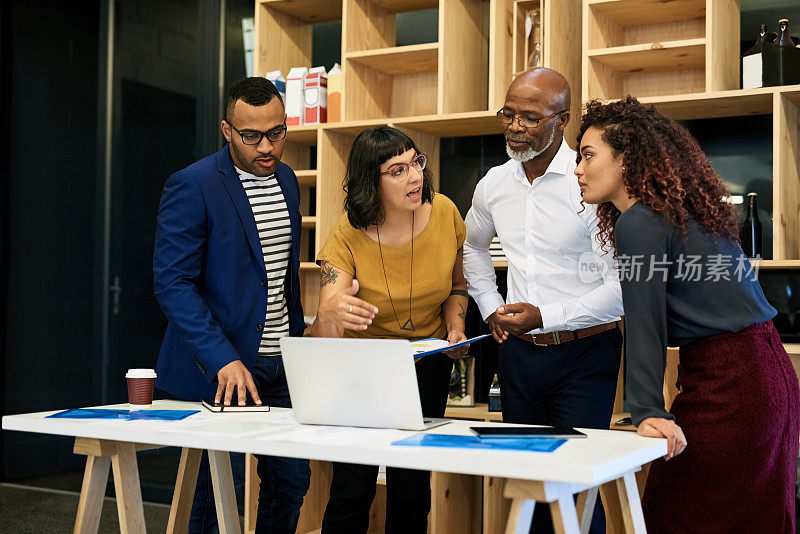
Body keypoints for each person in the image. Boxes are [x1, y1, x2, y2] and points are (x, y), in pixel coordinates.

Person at [575, 95, 800, 533]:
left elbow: (645, 325)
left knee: (675, 513)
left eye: (588, 155)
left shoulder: (639, 221)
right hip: (769, 375)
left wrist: (645, 411)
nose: (578, 169)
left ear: (627, 159)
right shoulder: (681, 211)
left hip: (732, 385)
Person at [462, 67, 623, 533]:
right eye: (508, 114)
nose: (515, 127)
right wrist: (490, 303)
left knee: (576, 493)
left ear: (563, 119)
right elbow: (472, 246)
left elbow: (619, 291)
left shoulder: (590, 184)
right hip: (518, 358)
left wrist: (544, 316)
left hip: (585, 353)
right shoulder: (493, 184)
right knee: (528, 490)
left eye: (530, 118)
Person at [153, 77, 310, 533]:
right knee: (212, 491)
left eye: (277, 133)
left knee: (291, 480)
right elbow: (173, 283)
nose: (267, 147)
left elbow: (279, 274)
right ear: (227, 130)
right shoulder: (193, 184)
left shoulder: (286, 179)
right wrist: (223, 359)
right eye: (251, 136)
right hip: (221, 368)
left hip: (281, 362)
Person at [310, 125, 468, 534]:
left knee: (412, 488)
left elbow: (457, 286)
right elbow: (329, 309)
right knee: (351, 487)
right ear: (370, 182)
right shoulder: (347, 232)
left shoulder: (446, 212)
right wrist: (332, 312)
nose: (415, 176)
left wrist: (455, 327)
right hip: (365, 369)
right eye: (397, 170)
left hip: (427, 364)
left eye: (416, 162)